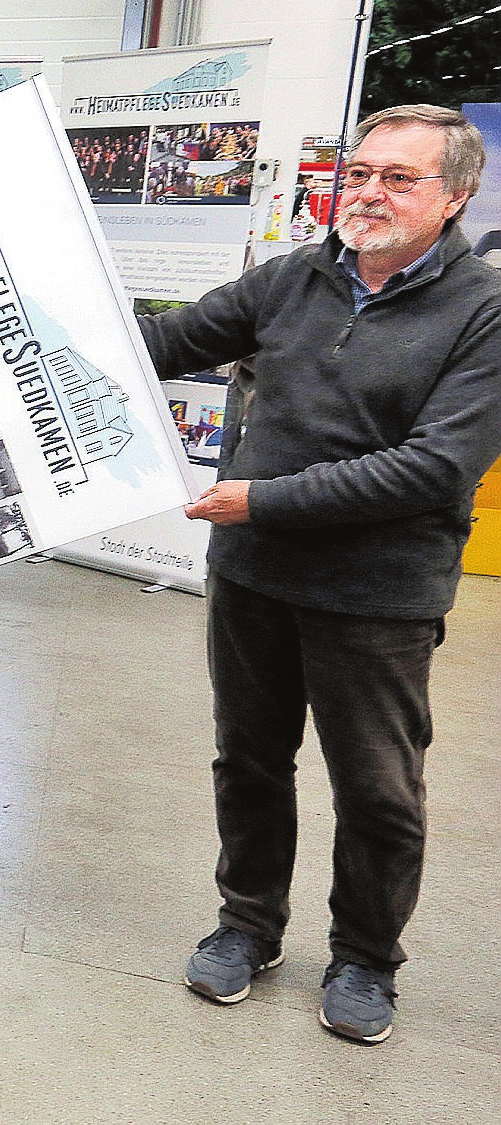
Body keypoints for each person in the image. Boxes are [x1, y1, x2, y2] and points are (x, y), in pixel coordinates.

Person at [138, 105, 501, 1044]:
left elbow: (431, 468)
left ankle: (365, 960)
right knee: (249, 760)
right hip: (251, 576)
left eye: (398, 179)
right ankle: (247, 926)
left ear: (454, 197)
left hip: (376, 595)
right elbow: (168, 342)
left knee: (377, 788)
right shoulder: (297, 276)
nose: (368, 193)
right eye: (360, 172)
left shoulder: (485, 312)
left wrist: (259, 500)